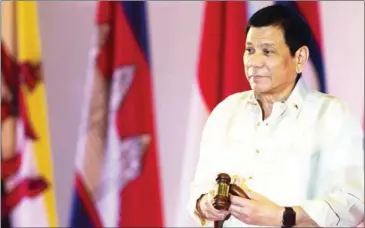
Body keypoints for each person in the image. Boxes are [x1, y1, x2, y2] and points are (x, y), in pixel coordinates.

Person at [187, 4, 364, 228]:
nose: (254, 62)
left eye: (267, 51)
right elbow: (199, 188)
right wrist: (205, 204)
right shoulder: (225, 112)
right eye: (249, 50)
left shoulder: (332, 116)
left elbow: (352, 202)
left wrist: (283, 216)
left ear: (299, 57)